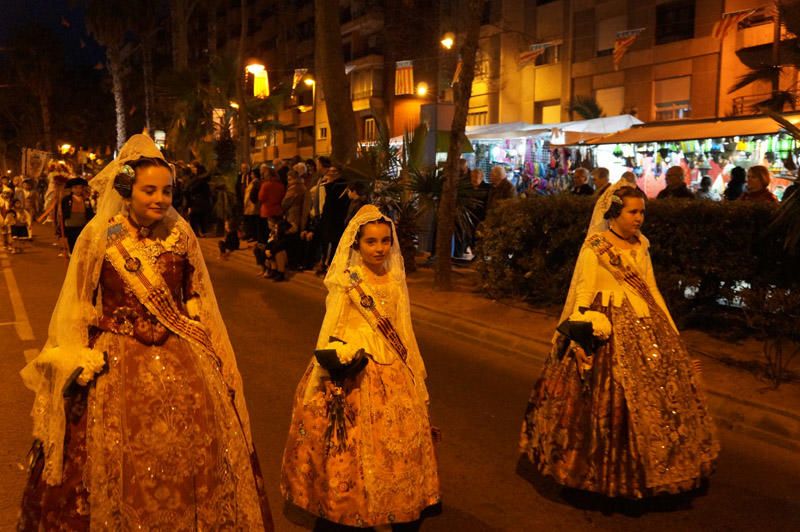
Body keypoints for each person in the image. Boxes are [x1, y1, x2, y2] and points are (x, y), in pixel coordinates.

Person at [18, 134, 273, 530]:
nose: (160, 198)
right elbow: (78, 304)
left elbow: (196, 296)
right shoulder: (99, 236)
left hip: (183, 356)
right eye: (149, 190)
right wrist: (75, 357)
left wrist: (213, 351)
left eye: (167, 190)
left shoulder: (182, 234)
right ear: (126, 190)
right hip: (116, 359)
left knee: (191, 451)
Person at [520, 181, 719, 499]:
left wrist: (671, 331)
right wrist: (581, 333)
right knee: (607, 398)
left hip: (645, 322)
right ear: (615, 212)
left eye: (642, 212)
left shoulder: (642, 245)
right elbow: (584, 290)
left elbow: (651, 289)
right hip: (606, 322)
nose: (639, 218)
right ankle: (603, 473)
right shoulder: (596, 246)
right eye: (633, 212)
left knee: (662, 397)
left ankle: (659, 465)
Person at [281, 205, 440, 527]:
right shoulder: (347, 282)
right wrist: (325, 370)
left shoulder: (394, 281)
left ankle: (393, 498)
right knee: (350, 446)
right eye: (371, 242)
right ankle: (349, 502)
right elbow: (332, 327)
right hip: (354, 367)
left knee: (395, 443)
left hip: (392, 364)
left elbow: (404, 329)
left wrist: (416, 374)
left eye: (385, 241)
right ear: (356, 244)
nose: (380, 248)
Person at [61, 177, 95, 253]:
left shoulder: (86, 199)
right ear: (72, 189)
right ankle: (71, 253)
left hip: (82, 223)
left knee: (80, 241)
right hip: (70, 223)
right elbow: (62, 211)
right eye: (75, 188)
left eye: (80, 188)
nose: (78, 190)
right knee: (71, 240)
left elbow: (89, 211)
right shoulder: (66, 199)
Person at [258, 166, 286, 244]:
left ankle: (270, 247)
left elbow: (261, 198)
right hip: (278, 209)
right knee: (277, 229)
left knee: (269, 230)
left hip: (267, 210)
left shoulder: (265, 185)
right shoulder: (281, 185)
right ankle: (277, 245)